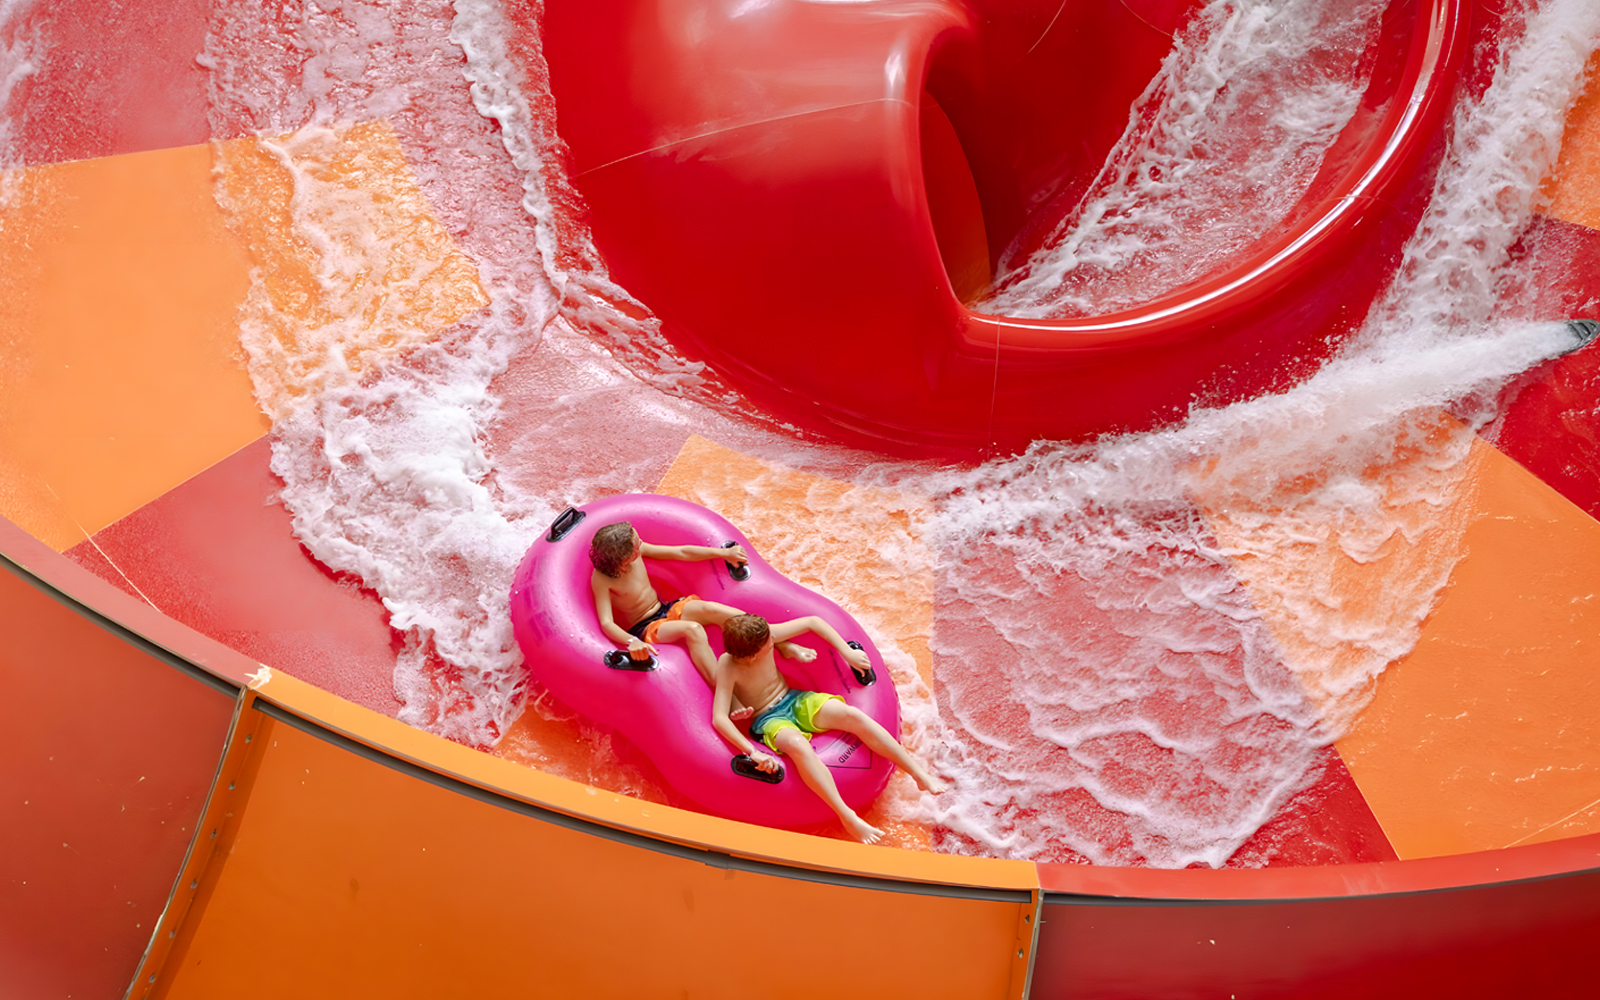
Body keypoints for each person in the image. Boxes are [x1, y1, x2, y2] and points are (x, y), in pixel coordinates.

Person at [711, 613, 947, 844]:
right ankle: (847, 815)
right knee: (796, 745)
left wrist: (847, 652)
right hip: (767, 718)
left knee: (852, 715)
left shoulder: (767, 634)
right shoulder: (728, 665)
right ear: (751, 655)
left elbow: (813, 622)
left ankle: (918, 773)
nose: (774, 640)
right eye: (768, 643)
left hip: (794, 700)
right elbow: (720, 718)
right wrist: (752, 751)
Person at [588, 522, 814, 713]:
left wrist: (723, 553)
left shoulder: (637, 553)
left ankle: (779, 642)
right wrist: (632, 641)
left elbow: (680, 552)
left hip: (665, 608)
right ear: (626, 557)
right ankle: (729, 698)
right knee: (693, 630)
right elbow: (606, 622)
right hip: (645, 626)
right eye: (636, 542)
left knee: (710, 609)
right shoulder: (603, 579)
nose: (640, 541)